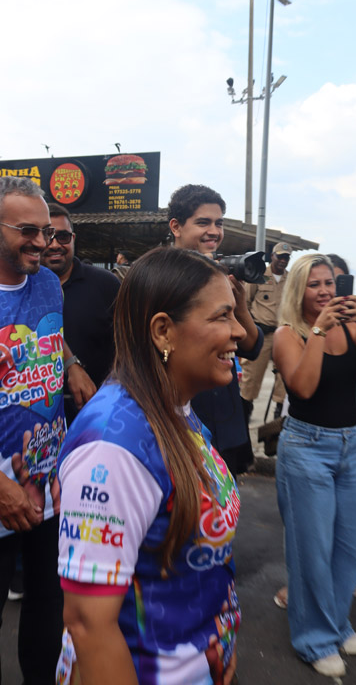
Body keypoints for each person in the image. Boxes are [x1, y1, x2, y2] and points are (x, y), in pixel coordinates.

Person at [57, 246, 244, 685]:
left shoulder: (175, 408)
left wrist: (216, 643)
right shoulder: (113, 447)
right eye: (221, 316)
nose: (238, 331)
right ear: (163, 331)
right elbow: (88, 623)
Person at [273, 254, 356, 678]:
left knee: (348, 548)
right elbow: (304, 387)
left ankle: (336, 623)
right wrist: (318, 331)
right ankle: (313, 639)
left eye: (330, 282)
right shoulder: (288, 335)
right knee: (311, 550)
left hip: (349, 446)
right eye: (315, 285)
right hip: (306, 446)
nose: (325, 291)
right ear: (298, 290)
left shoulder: (349, 327)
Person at [0, 176, 87, 684]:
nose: (43, 243)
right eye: (27, 231)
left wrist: (71, 362)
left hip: (47, 483)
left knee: (48, 610)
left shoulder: (47, 283)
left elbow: (48, 335)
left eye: (49, 233)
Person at [168, 183, 263, 475]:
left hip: (226, 420)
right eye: (203, 222)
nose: (214, 231)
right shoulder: (157, 276)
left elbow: (252, 347)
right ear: (176, 226)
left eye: (219, 223)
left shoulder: (220, 276)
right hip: (180, 422)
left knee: (224, 513)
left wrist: (240, 306)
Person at [42, 204, 120, 424]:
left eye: (63, 237)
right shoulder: (25, 289)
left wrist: (112, 392)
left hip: (97, 412)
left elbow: (128, 345)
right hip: (39, 418)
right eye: (48, 236)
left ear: (74, 238)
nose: (55, 244)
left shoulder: (105, 284)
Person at [240, 242, 292, 423]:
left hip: (283, 334)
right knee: (251, 375)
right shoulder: (259, 275)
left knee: (284, 376)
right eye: (280, 257)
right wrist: (249, 328)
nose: (283, 261)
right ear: (272, 256)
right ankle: (245, 412)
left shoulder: (291, 279)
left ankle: (279, 415)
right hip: (261, 333)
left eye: (286, 258)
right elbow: (245, 302)